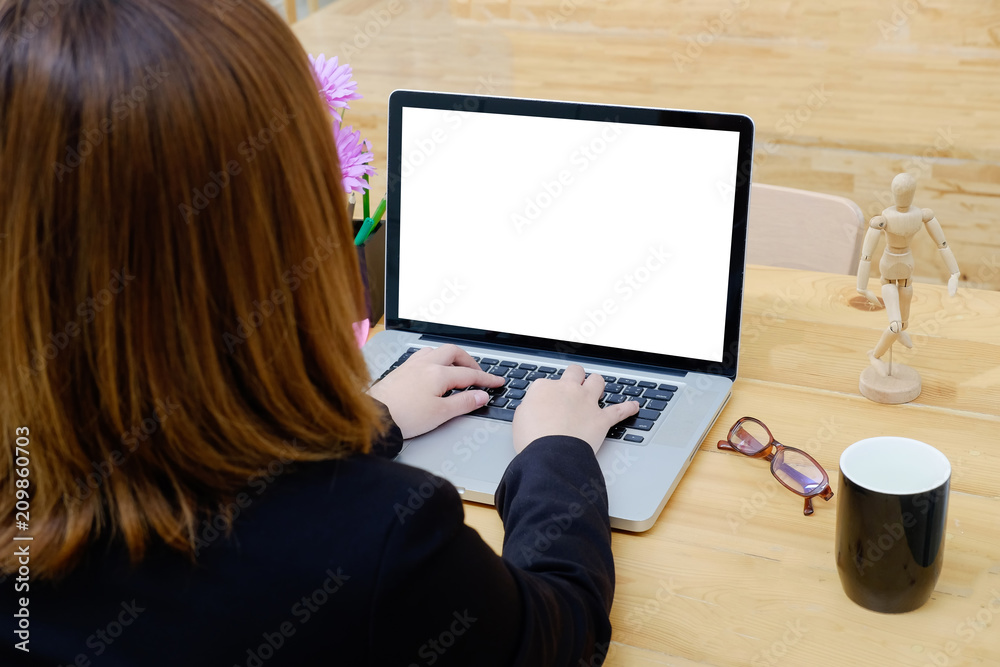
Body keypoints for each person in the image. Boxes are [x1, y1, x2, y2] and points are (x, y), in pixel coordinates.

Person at [0, 1, 640, 665]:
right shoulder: (383, 542)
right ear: (286, 231)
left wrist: (373, 418)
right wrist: (556, 454)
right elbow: (557, 635)